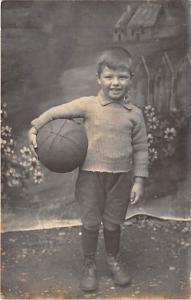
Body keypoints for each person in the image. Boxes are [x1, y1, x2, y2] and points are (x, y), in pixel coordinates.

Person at [28, 47, 149, 292]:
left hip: (121, 178)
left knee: (114, 224)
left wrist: (138, 180)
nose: (115, 82)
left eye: (122, 77)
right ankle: (89, 264)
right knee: (91, 223)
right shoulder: (88, 105)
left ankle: (113, 260)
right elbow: (54, 112)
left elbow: (141, 149)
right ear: (98, 78)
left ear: (131, 79)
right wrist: (34, 128)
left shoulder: (134, 114)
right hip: (91, 177)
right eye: (109, 76)